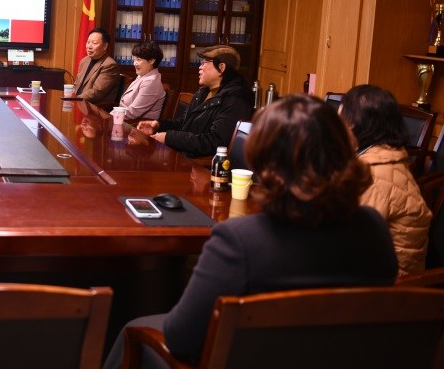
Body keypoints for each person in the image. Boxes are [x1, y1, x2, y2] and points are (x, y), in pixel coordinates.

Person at [103, 95, 398, 368]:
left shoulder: (239, 240)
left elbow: (181, 338)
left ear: (265, 160)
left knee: (134, 329)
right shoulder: (373, 228)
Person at [339, 84, 431, 276]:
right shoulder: (386, 157)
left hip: (389, 284)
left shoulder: (375, 175)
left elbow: (347, 240)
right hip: (376, 269)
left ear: (352, 123)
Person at [136, 45, 253, 157]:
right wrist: (158, 125)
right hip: (182, 154)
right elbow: (184, 123)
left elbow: (214, 142)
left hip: (197, 163)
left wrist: (169, 138)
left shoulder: (235, 100)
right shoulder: (203, 92)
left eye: (204, 63)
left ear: (221, 68)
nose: (200, 67)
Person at [72, 27, 121, 104]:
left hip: (95, 107)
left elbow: (97, 92)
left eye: (94, 43)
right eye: (88, 42)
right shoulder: (85, 61)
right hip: (79, 103)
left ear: (105, 46)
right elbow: (76, 85)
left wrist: (75, 99)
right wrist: (70, 96)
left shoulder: (110, 65)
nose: (89, 46)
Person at [118, 41, 165, 121]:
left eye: (138, 59)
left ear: (151, 61)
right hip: (124, 120)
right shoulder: (143, 76)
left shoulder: (151, 82)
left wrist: (110, 117)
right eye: (134, 59)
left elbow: (132, 113)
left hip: (135, 125)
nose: (135, 63)